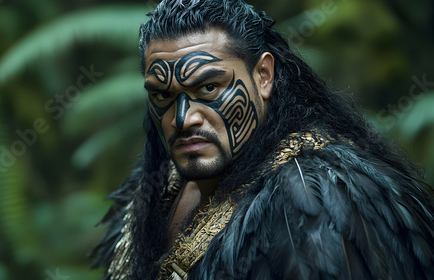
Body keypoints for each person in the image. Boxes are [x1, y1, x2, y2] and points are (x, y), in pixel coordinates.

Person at [89, 0, 434, 279]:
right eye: (164, 96)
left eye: (208, 88)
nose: (184, 118)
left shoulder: (326, 196)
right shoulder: (157, 187)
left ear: (264, 76)